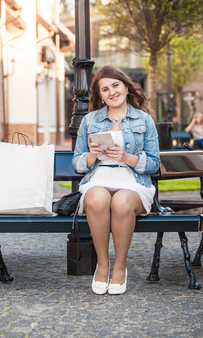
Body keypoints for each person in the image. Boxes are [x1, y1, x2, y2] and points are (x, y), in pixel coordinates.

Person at [72, 66, 160, 295]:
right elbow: (77, 162)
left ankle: (120, 267)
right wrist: (91, 156)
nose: (111, 92)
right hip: (99, 178)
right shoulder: (90, 121)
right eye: (105, 89)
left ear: (126, 86)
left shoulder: (144, 120)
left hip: (133, 182)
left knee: (121, 202)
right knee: (98, 199)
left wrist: (127, 157)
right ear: (99, 95)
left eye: (115, 85)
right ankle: (103, 265)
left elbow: (154, 163)